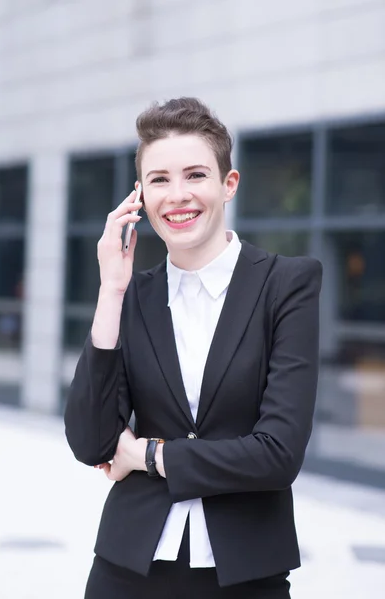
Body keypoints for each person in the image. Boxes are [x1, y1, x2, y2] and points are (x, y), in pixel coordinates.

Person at [64, 97, 322, 599]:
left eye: (196, 175)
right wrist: (110, 290)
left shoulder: (286, 285)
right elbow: (90, 441)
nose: (177, 195)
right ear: (141, 197)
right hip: (125, 572)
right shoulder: (132, 295)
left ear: (229, 185)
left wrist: (149, 455)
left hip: (247, 575)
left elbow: (278, 454)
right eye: (159, 179)